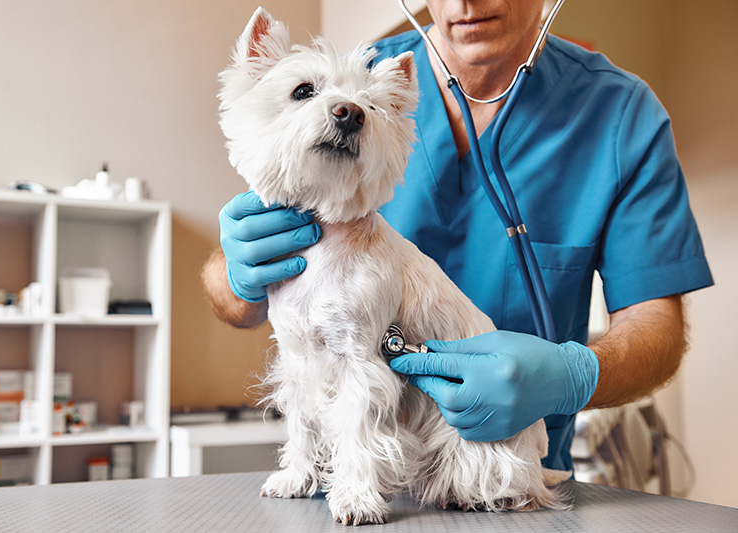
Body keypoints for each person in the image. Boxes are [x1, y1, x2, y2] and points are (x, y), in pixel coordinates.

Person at [202, 0, 713, 472]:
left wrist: (569, 375)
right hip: (350, 482)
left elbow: (657, 330)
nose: (463, 2)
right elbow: (238, 295)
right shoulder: (348, 85)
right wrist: (234, 273)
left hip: (500, 471)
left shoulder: (622, 115)